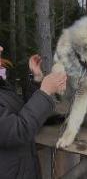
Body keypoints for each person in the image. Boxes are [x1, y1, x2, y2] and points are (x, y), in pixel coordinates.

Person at [0, 46, 67, 179]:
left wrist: (36, 79)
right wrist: (45, 92)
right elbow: (17, 130)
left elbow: (20, 111)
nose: (1, 48)